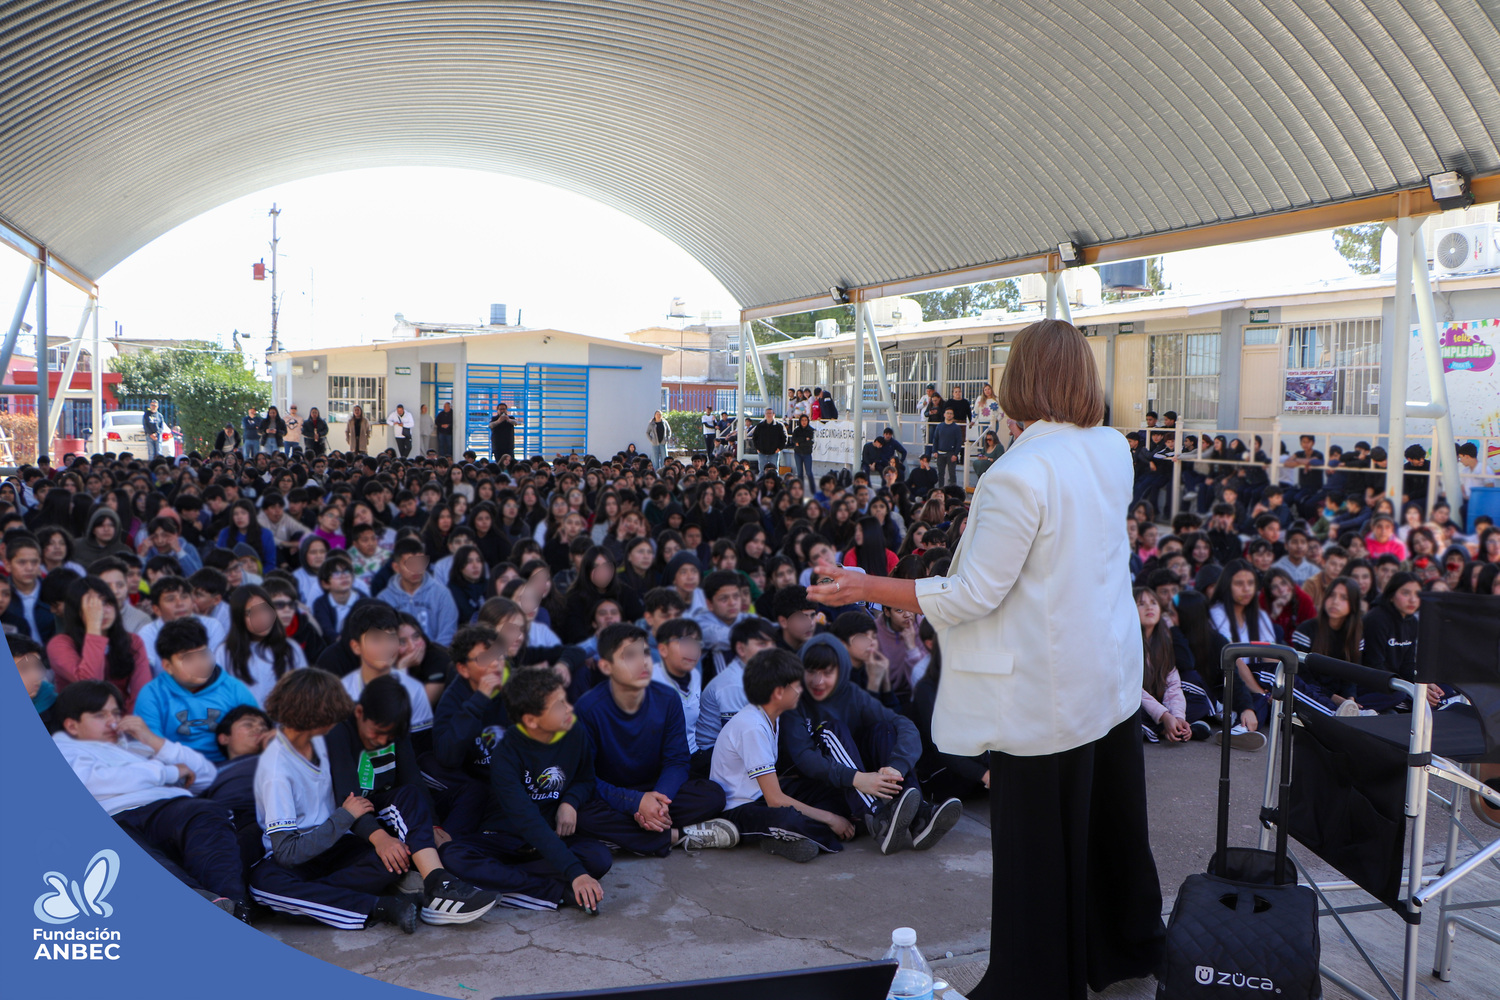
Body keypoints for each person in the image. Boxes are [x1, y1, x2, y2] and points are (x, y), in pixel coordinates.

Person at [808, 319, 1165, 1000]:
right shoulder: (1111, 448)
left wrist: (864, 585)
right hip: (1106, 669)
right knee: (1107, 827)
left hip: (1039, 691)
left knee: (1037, 851)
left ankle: (1034, 984)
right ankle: (1120, 950)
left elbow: (973, 592)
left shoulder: (1017, 475)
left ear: (1018, 380)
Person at [53, 680, 251, 919]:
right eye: (100, 715)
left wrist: (152, 739)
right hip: (114, 815)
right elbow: (93, 782)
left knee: (206, 812)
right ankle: (199, 904)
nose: (113, 722)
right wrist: (168, 772)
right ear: (72, 725)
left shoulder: (137, 745)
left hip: (169, 807)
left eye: (116, 713)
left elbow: (206, 775)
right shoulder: (62, 747)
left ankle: (233, 908)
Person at [324, 674, 498, 923]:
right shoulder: (340, 731)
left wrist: (434, 825)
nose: (382, 741)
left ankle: (440, 867)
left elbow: (412, 778)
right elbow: (347, 801)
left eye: (389, 736)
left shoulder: (396, 730)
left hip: (395, 812)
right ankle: (438, 885)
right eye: (377, 732)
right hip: (357, 820)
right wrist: (380, 838)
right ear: (360, 712)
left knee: (466, 792)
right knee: (406, 799)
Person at [441, 667, 612, 912]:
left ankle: (503, 881)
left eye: (565, 701)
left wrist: (570, 802)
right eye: (559, 706)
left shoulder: (574, 731)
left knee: (598, 858)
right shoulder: (506, 753)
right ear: (531, 720)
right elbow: (527, 819)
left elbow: (586, 779)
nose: (569, 709)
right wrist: (575, 873)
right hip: (504, 839)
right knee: (451, 855)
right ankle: (554, 892)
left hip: (548, 840)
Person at [574, 624, 737, 855]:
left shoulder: (667, 698)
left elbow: (677, 760)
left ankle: (626, 837)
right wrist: (635, 802)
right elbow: (585, 777)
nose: (643, 662)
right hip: (612, 794)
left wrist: (659, 803)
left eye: (644, 653)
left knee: (713, 795)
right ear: (606, 666)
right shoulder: (588, 708)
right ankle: (676, 836)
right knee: (579, 814)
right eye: (629, 656)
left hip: (657, 789)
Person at [708, 648, 855, 861]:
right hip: (740, 808)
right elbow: (775, 800)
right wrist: (831, 818)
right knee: (789, 819)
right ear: (778, 692)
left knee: (830, 792)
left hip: (763, 795)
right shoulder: (752, 726)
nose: (801, 691)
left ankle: (795, 838)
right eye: (797, 686)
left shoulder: (771, 716)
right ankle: (799, 834)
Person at [134, 618, 257, 761]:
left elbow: (257, 734)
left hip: (230, 767)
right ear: (168, 666)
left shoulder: (234, 689)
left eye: (203, 655)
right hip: (173, 769)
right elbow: (149, 746)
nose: (199, 664)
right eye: (188, 659)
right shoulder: (151, 695)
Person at [47, 576, 152, 712]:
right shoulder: (60, 644)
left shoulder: (132, 641)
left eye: (106, 602)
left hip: (121, 718)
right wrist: (93, 627)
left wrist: (129, 721)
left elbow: (142, 694)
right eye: (92, 606)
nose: (102, 611)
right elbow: (91, 683)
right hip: (79, 719)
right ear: (76, 611)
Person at [339, 602, 436, 744]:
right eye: (376, 639)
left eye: (391, 637)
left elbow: (422, 744)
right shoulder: (342, 691)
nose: (385, 647)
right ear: (356, 646)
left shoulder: (415, 689)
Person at [218, 584, 308, 704]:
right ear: (238, 618)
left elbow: (303, 693)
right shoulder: (225, 652)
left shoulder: (290, 648)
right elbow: (218, 697)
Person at [378, 536, 460, 647]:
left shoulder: (442, 594)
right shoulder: (384, 599)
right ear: (396, 567)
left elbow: (448, 633)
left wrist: (432, 654)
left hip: (437, 654)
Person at [931, 407, 966, 486]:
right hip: (940, 453)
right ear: (944, 414)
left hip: (951, 453)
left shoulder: (956, 428)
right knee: (940, 474)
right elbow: (935, 439)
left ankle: (953, 490)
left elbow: (959, 442)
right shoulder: (939, 426)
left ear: (953, 415)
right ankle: (940, 489)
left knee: (952, 474)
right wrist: (934, 451)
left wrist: (955, 454)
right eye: (947, 413)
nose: (949, 415)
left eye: (951, 413)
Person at [750, 407, 787, 474]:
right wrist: (757, 448)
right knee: (762, 471)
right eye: (767, 413)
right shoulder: (760, 426)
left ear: (774, 414)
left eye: (770, 413)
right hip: (762, 452)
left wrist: (780, 448)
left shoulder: (779, 426)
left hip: (774, 452)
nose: (769, 415)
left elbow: (784, 438)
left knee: (774, 471)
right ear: (765, 415)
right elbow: (755, 437)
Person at [790, 414, 816, 488]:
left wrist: (800, 442)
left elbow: (810, 442)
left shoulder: (811, 430)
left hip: (807, 453)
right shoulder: (797, 430)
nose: (804, 422)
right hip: (798, 453)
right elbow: (794, 440)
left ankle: (813, 488)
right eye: (802, 420)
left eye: (805, 420)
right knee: (799, 473)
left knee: (809, 473)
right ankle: (800, 489)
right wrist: (804, 439)